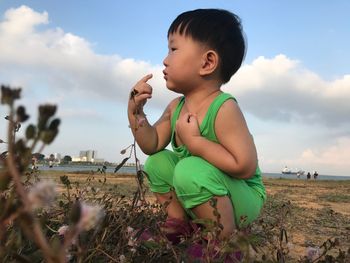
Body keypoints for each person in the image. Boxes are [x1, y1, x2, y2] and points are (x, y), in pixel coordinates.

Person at [127, 8, 266, 240]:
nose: (165, 59)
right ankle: (179, 224)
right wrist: (135, 111)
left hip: (242, 198)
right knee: (157, 162)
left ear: (207, 62)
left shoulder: (224, 108)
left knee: (188, 169)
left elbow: (244, 166)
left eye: (173, 49)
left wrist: (195, 141)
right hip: (201, 183)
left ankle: (222, 240)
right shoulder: (175, 107)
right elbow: (151, 144)